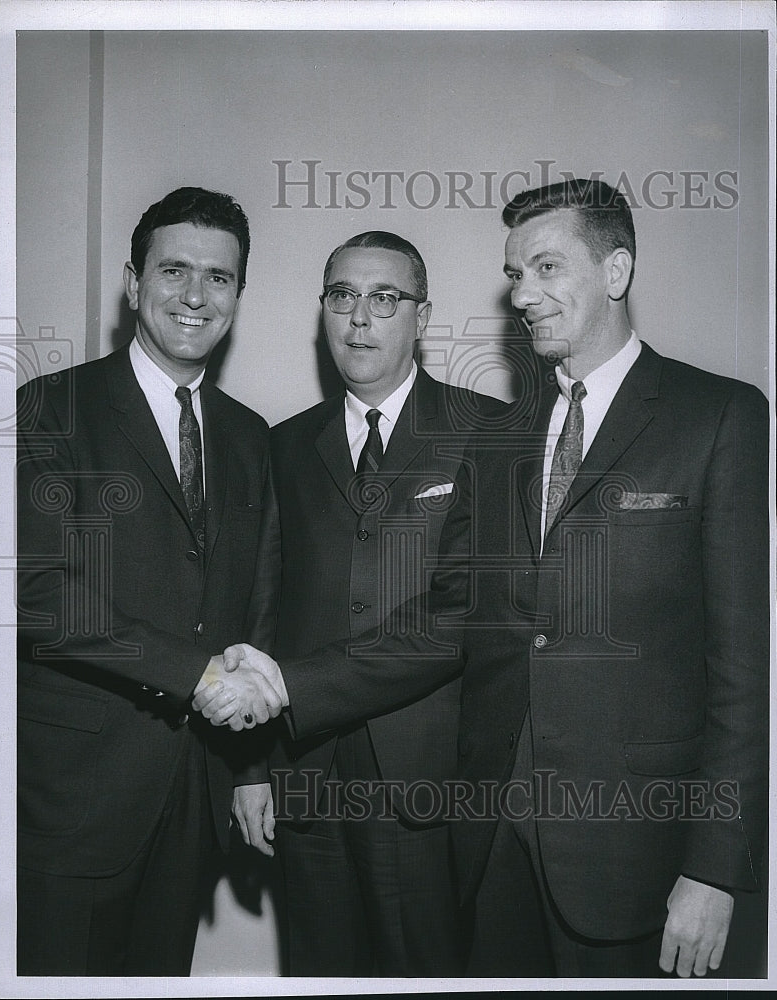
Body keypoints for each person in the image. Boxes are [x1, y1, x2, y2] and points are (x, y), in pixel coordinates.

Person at [195, 180, 769, 978]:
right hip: (491, 838)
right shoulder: (511, 434)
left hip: (631, 842)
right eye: (514, 274)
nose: (522, 294)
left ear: (616, 270)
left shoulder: (719, 417)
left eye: (544, 267)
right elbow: (455, 610)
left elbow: (745, 671)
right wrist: (284, 693)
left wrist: (716, 864)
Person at [16, 186, 278, 975]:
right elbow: (39, 593)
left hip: (192, 799)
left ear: (238, 293)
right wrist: (193, 675)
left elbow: (253, 603)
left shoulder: (248, 436)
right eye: (174, 271)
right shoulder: (51, 408)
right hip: (76, 798)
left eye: (219, 278)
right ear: (134, 283)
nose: (196, 296)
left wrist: (251, 768)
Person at [232, 231, 506, 976]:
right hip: (306, 775)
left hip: (430, 781)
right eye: (342, 297)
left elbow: (466, 616)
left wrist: (300, 685)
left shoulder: (487, 432)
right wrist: (252, 768)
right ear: (322, 312)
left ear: (422, 317)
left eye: (385, 298)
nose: (360, 317)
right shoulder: (285, 445)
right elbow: (264, 605)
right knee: (319, 976)